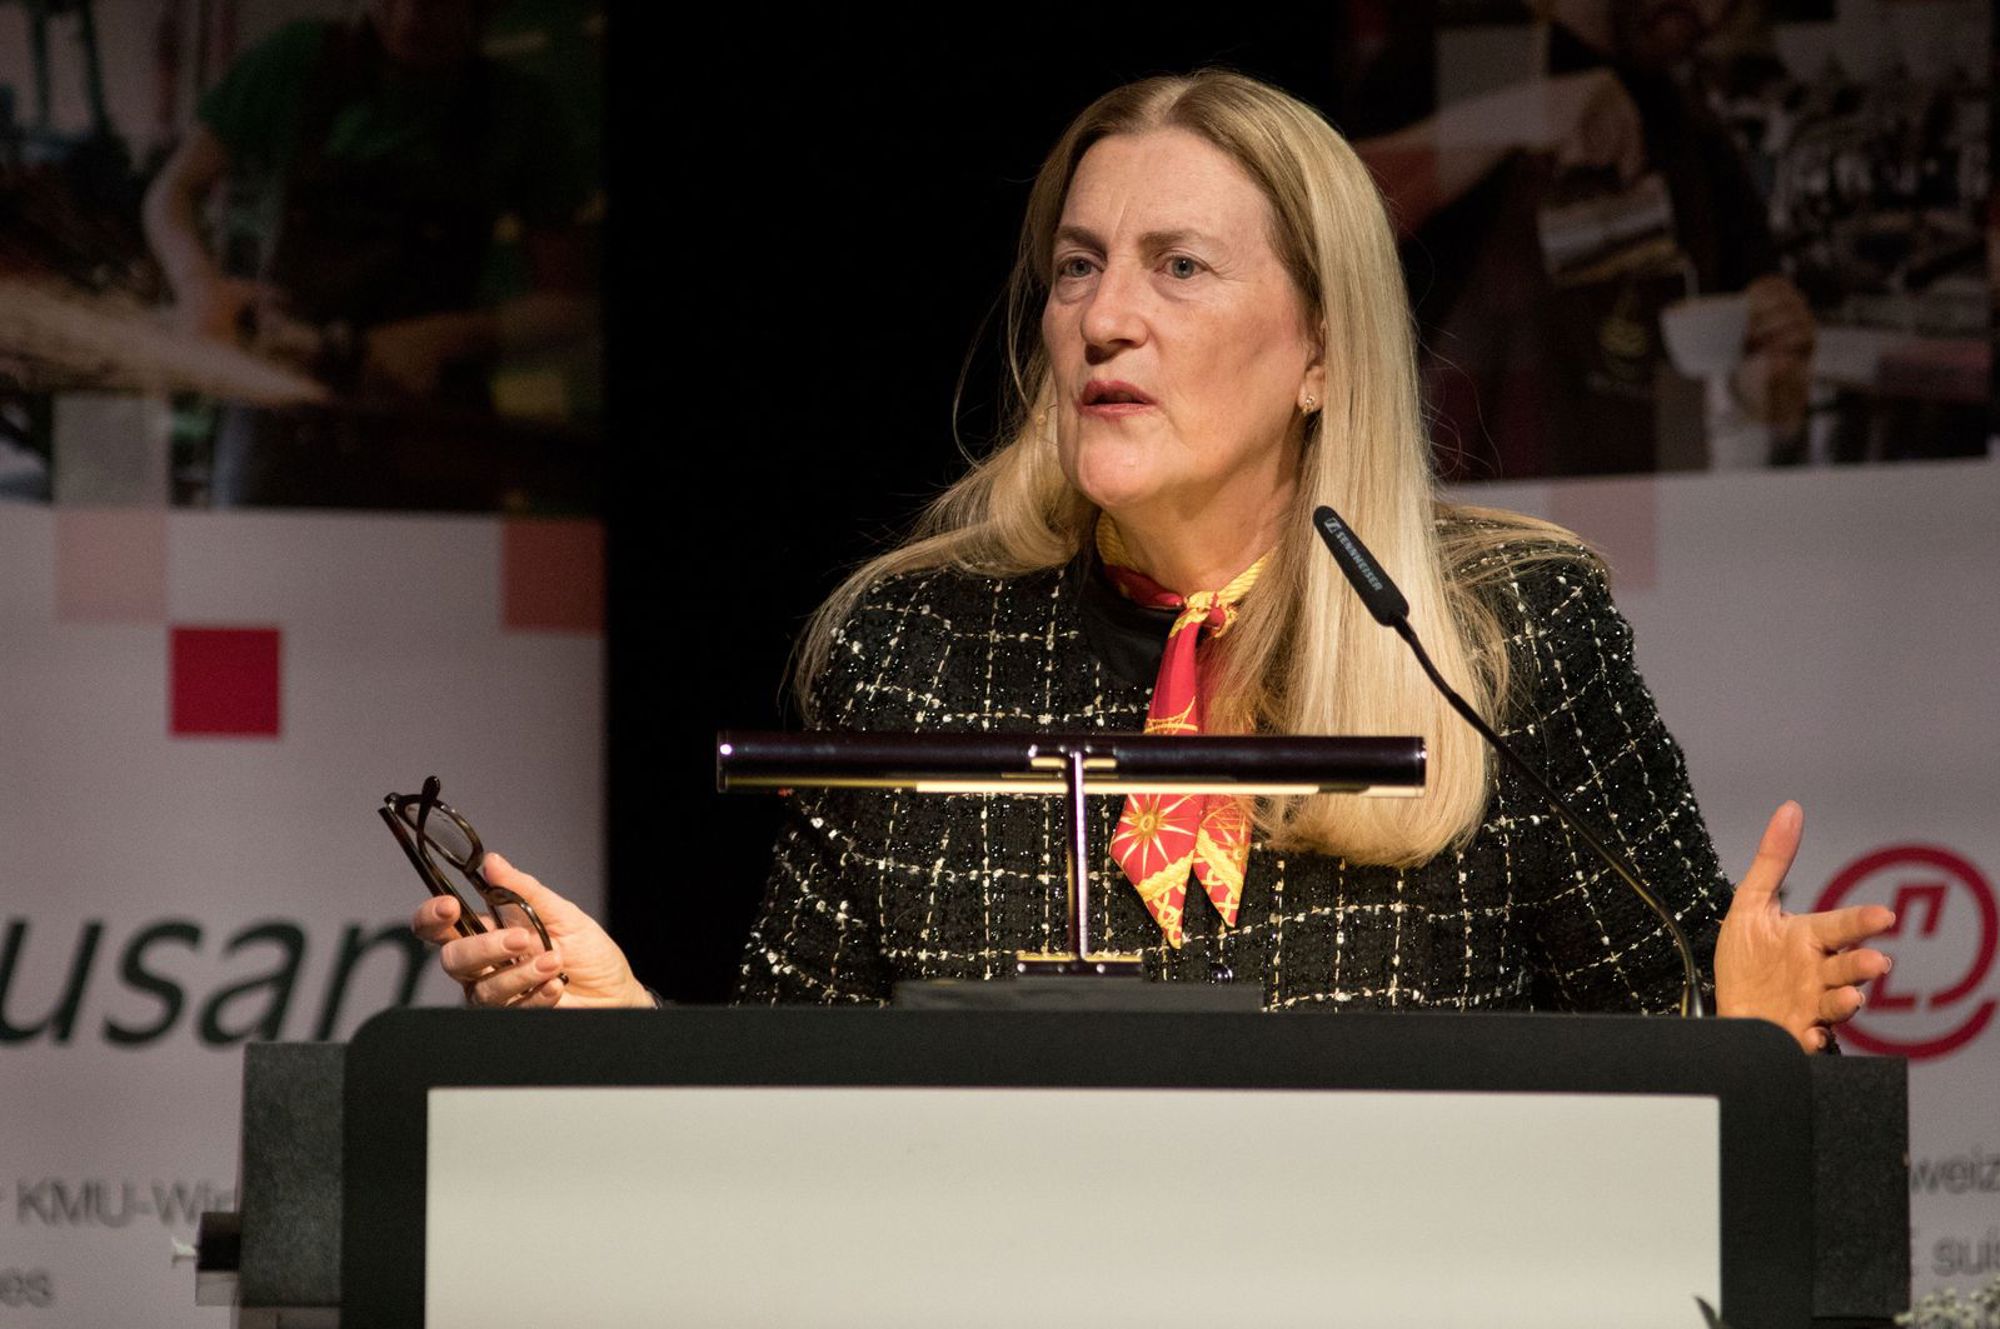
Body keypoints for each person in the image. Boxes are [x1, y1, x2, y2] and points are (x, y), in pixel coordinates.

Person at [413, 70, 1890, 1053]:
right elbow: (795, 1108)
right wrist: (625, 1029)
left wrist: (1748, 1045)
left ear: (1322, 350)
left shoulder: (1505, 631)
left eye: (1180, 266)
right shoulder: (914, 646)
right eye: (1078, 266)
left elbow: (1684, 1083)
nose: (1105, 317)